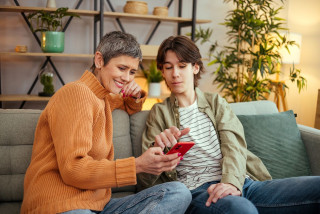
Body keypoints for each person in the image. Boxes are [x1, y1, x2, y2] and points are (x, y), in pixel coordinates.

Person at [139, 35, 320, 214]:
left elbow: (234, 145)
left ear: (195, 67)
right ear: (162, 72)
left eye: (182, 66)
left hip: (242, 182)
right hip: (199, 191)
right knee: (241, 209)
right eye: (168, 67)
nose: (175, 74)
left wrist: (231, 182)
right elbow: (146, 179)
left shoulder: (216, 102)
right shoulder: (159, 112)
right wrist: (159, 149)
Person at [20, 31, 191, 214]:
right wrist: (138, 165)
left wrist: (135, 96)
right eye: (121, 68)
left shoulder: (103, 98)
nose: (127, 78)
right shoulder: (76, 93)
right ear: (99, 61)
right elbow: (73, 169)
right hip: (60, 205)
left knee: (178, 192)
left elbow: (129, 106)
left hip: (98, 206)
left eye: (132, 72)